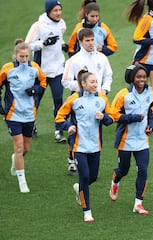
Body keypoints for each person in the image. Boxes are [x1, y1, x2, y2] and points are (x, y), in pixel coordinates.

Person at [55, 70, 113, 222]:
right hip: (78, 147)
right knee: (85, 176)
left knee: (92, 177)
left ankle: (78, 187)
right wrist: (68, 126)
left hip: (95, 146)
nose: (95, 85)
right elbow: (59, 117)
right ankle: (87, 211)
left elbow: (112, 118)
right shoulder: (74, 99)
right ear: (83, 84)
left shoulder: (102, 99)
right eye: (92, 82)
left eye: (96, 82)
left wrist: (104, 117)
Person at [62, 28, 113, 175]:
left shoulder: (102, 58)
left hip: (98, 99)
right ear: (80, 42)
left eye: (92, 40)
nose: (91, 43)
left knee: (95, 126)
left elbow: (108, 76)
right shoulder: (74, 60)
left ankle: (91, 157)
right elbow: (65, 81)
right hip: (79, 100)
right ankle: (72, 158)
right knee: (76, 128)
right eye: (87, 41)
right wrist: (81, 89)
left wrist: (104, 90)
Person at [0, 41, 47, 193]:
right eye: (21, 56)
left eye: (26, 56)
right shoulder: (8, 69)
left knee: (25, 148)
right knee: (19, 146)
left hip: (29, 113)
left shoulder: (35, 68)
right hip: (13, 114)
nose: (24, 58)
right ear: (15, 55)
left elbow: (43, 83)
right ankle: (22, 181)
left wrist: (34, 90)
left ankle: (16, 160)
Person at [108, 64, 153, 215]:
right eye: (138, 77)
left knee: (143, 170)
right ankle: (115, 181)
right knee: (124, 170)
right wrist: (133, 118)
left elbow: (150, 111)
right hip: (125, 140)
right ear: (132, 78)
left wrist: (151, 125)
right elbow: (113, 115)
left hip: (142, 140)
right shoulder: (123, 95)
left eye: (144, 76)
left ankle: (138, 203)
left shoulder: (149, 93)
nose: (142, 79)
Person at [25, 0, 67, 142]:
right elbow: (28, 45)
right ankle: (31, 126)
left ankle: (58, 130)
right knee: (35, 99)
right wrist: (43, 43)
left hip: (58, 69)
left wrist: (63, 45)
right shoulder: (38, 25)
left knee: (58, 99)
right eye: (55, 10)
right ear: (48, 11)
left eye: (59, 10)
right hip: (41, 71)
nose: (58, 13)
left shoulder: (62, 23)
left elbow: (59, 39)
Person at [126, 0, 153, 135]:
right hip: (143, 59)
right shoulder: (147, 19)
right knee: (137, 90)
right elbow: (136, 38)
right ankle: (133, 118)